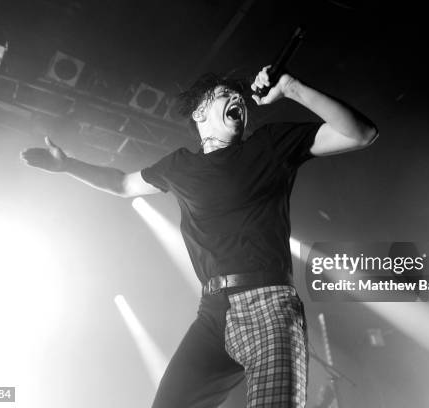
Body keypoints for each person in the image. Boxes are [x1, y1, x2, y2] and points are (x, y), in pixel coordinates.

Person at [21, 66, 378, 407]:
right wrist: (68, 166)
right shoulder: (179, 167)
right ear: (199, 113)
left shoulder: (268, 146)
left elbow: (359, 133)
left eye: (238, 97)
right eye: (224, 94)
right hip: (213, 314)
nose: (236, 99)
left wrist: (290, 88)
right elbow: (121, 183)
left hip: (270, 307)